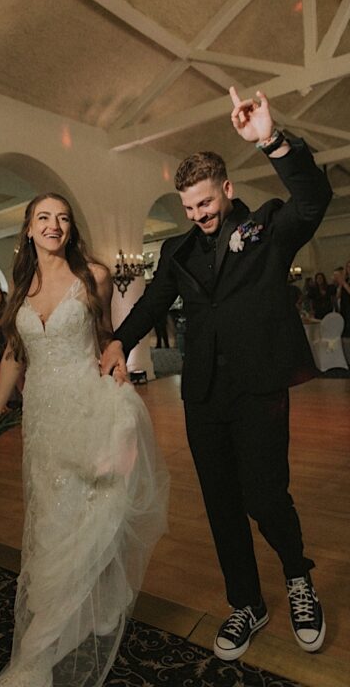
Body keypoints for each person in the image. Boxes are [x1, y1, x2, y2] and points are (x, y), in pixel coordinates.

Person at [101, 88, 331, 662]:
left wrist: (272, 141)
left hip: (259, 389)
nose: (199, 215)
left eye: (205, 203)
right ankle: (246, 602)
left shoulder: (268, 230)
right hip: (202, 396)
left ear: (227, 189)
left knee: (266, 496)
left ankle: (298, 579)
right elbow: (153, 302)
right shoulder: (177, 251)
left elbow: (312, 199)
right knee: (222, 502)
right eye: (190, 207)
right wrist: (117, 341)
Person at [0, 195, 168, 687]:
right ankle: (74, 607)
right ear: (28, 230)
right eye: (44, 218)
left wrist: (118, 357)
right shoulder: (20, 286)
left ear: (70, 228)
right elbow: (14, 356)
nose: (54, 225)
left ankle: (80, 615)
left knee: (92, 512)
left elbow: (105, 336)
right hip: (41, 416)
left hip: (86, 405)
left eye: (62, 218)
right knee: (51, 519)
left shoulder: (94, 276)